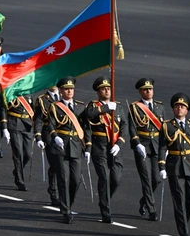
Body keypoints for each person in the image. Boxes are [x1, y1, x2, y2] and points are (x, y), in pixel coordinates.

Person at [159, 92, 190, 236]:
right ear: (173, 109)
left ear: (187, 110)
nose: (179, 108)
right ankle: (183, 231)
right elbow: (162, 147)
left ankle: (183, 220)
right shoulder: (167, 126)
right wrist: (162, 166)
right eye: (176, 106)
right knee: (179, 200)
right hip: (175, 166)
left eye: (182, 106)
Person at [38, 76, 87, 223]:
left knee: (76, 180)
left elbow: (86, 128)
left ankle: (68, 203)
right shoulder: (55, 106)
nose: (69, 91)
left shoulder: (80, 106)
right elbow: (51, 124)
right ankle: (66, 211)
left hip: (76, 146)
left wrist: (88, 147)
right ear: (61, 91)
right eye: (66, 89)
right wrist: (55, 137)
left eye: (71, 89)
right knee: (63, 179)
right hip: (60, 146)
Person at [84, 76, 126, 223]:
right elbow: (89, 115)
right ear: (98, 92)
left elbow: (124, 126)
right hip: (99, 147)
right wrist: (107, 108)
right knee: (104, 177)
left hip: (114, 148)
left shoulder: (118, 106)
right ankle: (105, 211)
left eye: (108, 88)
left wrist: (119, 144)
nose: (107, 91)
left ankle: (104, 199)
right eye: (103, 89)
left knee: (116, 179)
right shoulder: (93, 106)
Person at [128, 77, 166, 221]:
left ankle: (144, 200)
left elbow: (163, 129)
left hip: (156, 145)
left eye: (150, 89)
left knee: (156, 179)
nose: (148, 91)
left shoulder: (159, 107)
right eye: (145, 90)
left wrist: (166, 147)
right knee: (146, 179)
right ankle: (152, 209)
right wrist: (137, 144)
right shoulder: (135, 107)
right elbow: (132, 127)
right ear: (140, 92)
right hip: (142, 145)